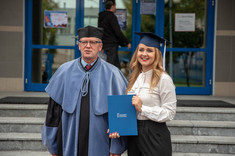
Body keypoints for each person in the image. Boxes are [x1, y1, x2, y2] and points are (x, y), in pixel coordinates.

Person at [41, 25, 128, 156]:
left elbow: (121, 113)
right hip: (68, 139)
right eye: (84, 42)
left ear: (100, 46)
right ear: (79, 45)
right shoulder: (64, 72)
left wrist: (116, 147)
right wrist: (52, 146)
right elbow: (53, 113)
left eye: (93, 42)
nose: (88, 46)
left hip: (101, 141)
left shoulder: (113, 74)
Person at [110, 32, 177, 156]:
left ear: (157, 54)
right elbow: (127, 109)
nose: (144, 54)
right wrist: (117, 125)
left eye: (149, 50)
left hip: (155, 135)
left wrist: (143, 108)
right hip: (134, 134)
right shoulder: (135, 78)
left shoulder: (163, 79)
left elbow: (170, 113)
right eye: (141, 50)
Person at [98, 0, 131, 69]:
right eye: (115, 6)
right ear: (112, 6)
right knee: (111, 66)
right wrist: (126, 42)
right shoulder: (112, 17)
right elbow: (117, 32)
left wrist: (101, 44)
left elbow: (100, 31)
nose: (115, 8)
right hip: (112, 45)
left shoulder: (101, 17)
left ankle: (117, 79)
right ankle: (108, 79)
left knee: (117, 66)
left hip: (105, 44)